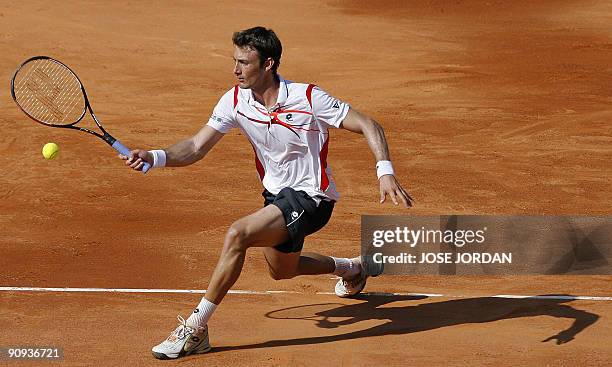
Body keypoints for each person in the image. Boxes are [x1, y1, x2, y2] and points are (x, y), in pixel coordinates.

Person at [120, 26, 413, 360]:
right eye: (235, 61)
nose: (235, 69)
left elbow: (368, 124)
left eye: (245, 63)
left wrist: (384, 171)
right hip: (277, 198)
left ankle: (195, 329)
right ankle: (352, 268)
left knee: (237, 235)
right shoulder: (234, 100)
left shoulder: (309, 98)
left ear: (269, 64)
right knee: (282, 270)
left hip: (312, 197)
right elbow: (195, 146)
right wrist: (155, 157)